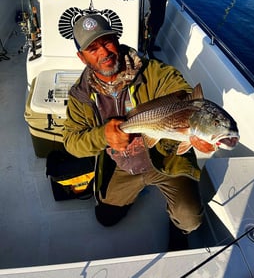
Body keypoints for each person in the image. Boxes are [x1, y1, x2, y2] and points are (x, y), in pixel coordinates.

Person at [63, 14, 203, 250]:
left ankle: (178, 228)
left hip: (165, 157)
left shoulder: (155, 72)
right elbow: (71, 141)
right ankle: (131, 192)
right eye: (93, 48)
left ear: (116, 40)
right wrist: (102, 136)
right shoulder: (80, 95)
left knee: (191, 219)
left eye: (107, 42)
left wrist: (198, 130)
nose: (104, 52)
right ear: (81, 56)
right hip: (121, 165)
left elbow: (183, 94)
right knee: (106, 218)